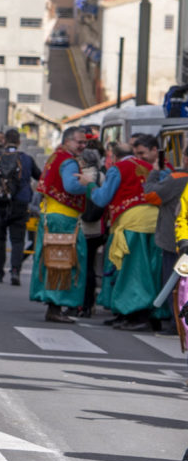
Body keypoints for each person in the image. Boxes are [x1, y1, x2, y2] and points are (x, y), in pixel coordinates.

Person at [85, 142, 166, 331]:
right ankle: (133, 313)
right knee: (150, 271)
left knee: (132, 271)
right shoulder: (148, 167)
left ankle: (136, 314)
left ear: (112, 156)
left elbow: (102, 198)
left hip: (131, 222)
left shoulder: (117, 169)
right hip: (154, 222)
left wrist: (89, 186)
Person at [29, 126, 89, 323]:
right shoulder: (68, 162)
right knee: (64, 261)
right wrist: (89, 182)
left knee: (54, 260)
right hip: (63, 219)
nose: (82, 145)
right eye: (79, 142)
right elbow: (71, 186)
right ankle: (56, 305)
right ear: (67, 141)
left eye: (84, 142)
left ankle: (54, 306)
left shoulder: (57, 156)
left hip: (51, 216)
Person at [0, 129, 40, 286]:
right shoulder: (26, 160)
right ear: (19, 142)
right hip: (20, 203)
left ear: (4, 141)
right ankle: (15, 272)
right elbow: (40, 176)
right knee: (18, 240)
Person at [147, 143, 188, 336]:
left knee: (175, 285)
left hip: (176, 241)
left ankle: (176, 324)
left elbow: (151, 195)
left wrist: (154, 173)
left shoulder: (177, 179)